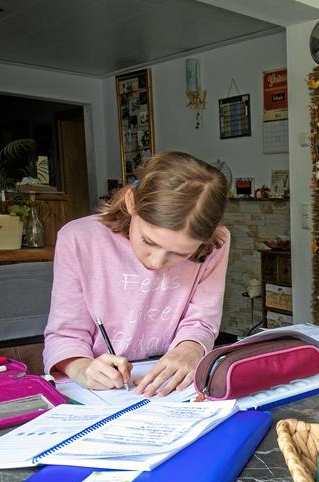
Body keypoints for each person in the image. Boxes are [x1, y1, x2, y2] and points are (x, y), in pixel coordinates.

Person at [44, 151, 230, 396]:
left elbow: (201, 321)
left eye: (179, 254)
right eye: (148, 241)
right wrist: (81, 367)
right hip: (101, 391)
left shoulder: (217, 243)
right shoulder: (79, 239)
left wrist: (190, 348)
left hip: (172, 389)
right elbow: (65, 333)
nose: (157, 262)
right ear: (132, 201)